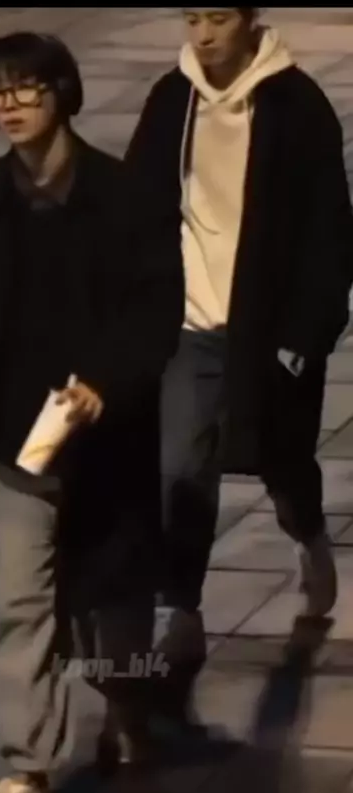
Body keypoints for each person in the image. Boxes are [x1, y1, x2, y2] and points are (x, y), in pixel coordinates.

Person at [0, 31, 183, 793]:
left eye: (27, 87)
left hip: (105, 443)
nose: (11, 104)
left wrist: (106, 383)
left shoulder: (121, 198)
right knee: (21, 605)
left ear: (62, 92)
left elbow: (155, 310)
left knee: (115, 600)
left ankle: (125, 702)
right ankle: (26, 771)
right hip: (11, 445)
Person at [125, 8, 353, 723]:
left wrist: (305, 334)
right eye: (192, 17)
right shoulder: (172, 99)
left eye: (218, 17)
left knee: (281, 461)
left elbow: (329, 231)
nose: (202, 34)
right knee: (179, 468)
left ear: (251, 19)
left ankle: (308, 537)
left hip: (267, 329)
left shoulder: (297, 105)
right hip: (189, 323)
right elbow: (135, 207)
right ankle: (183, 610)